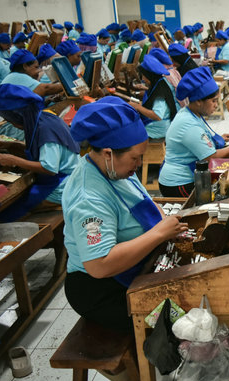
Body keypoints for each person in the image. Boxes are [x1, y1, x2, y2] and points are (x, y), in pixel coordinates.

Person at [62, 96, 188, 333]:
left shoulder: (115, 170)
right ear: (108, 153)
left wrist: (164, 225)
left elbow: (146, 201)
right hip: (102, 288)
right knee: (176, 324)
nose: (139, 164)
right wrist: (159, 233)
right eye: (135, 158)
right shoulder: (88, 199)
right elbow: (99, 265)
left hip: (135, 267)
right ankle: (134, 369)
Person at [0, 84, 80, 222]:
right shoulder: (43, 117)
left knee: (4, 215)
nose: (13, 125)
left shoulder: (45, 129)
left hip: (62, 186)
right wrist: (13, 145)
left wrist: (13, 160)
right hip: (68, 179)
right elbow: (41, 149)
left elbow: (49, 168)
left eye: (11, 121)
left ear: (18, 116)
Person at [159, 67, 229, 197]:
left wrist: (218, 139)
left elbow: (200, 139)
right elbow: (212, 157)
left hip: (186, 177)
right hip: (179, 184)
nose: (216, 105)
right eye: (213, 101)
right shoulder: (188, 123)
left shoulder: (193, 114)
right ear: (199, 101)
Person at [129, 55, 177, 140]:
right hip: (162, 125)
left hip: (158, 129)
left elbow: (157, 116)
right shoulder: (160, 82)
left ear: (149, 75)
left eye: (144, 76)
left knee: (127, 132)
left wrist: (137, 107)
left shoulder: (159, 94)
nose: (143, 79)